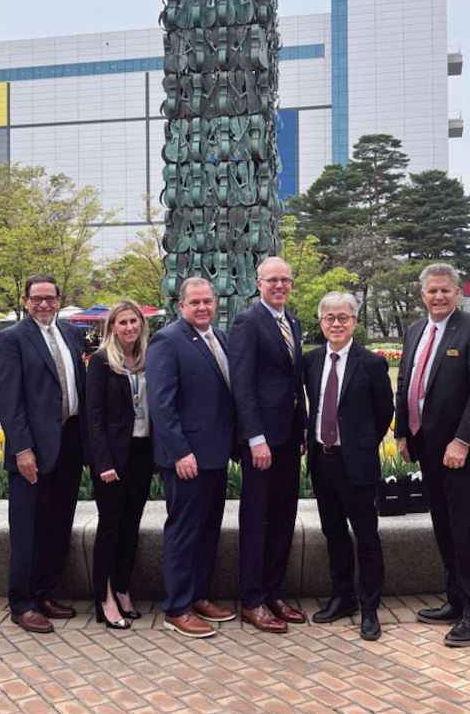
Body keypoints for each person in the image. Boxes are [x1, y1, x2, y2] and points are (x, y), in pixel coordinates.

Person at [394, 263, 470, 647]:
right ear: (422, 295)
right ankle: (454, 602)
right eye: (431, 291)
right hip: (426, 448)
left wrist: (462, 441)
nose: (438, 297)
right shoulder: (415, 331)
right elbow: (405, 382)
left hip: (461, 453)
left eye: (445, 290)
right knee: (443, 528)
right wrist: (403, 432)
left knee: (465, 531)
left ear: (458, 293)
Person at [0, 274, 87, 634]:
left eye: (50, 298)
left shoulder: (72, 334)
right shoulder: (12, 338)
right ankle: (23, 602)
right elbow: (9, 400)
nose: (44, 304)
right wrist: (22, 449)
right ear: (26, 300)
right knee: (28, 529)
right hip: (31, 450)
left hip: (69, 445)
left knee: (57, 525)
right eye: (37, 299)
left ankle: (45, 591)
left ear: (59, 300)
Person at [146, 277, 236, 638]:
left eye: (207, 301)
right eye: (195, 302)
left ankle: (199, 595)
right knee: (183, 533)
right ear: (180, 306)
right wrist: (180, 451)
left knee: (207, 532)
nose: (202, 307)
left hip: (214, 457)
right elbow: (162, 404)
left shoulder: (219, 338)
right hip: (187, 459)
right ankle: (177, 607)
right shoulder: (167, 340)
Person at [303, 292, 393, 641]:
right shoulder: (310, 362)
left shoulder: (370, 363)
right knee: (334, 534)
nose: (336, 323)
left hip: (356, 464)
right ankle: (342, 598)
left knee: (367, 537)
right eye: (330, 318)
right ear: (321, 322)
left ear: (355, 321)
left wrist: (362, 443)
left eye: (344, 317)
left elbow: (384, 412)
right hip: (322, 463)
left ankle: (370, 607)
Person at [228, 256, 307, 634]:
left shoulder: (292, 321)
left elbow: (294, 383)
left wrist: (303, 429)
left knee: (283, 518)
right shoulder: (247, 322)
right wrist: (255, 438)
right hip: (262, 442)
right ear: (258, 283)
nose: (280, 285)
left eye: (285, 280)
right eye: (272, 280)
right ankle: (252, 599)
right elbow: (241, 385)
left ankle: (274, 590)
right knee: (257, 520)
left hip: (289, 438)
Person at [85, 301, 155, 630]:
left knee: (132, 525)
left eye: (134, 322)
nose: (129, 327)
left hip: (142, 452)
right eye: (123, 322)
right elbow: (93, 417)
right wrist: (102, 462)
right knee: (111, 527)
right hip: (112, 457)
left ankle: (124, 587)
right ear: (113, 326)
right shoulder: (101, 362)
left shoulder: (146, 359)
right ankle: (105, 597)